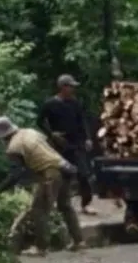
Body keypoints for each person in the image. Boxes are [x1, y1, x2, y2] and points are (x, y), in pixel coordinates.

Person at [0, 115, 85, 255]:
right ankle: (79, 241)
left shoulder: (14, 147)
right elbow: (46, 149)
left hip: (50, 173)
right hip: (64, 167)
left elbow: (16, 174)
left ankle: (41, 247)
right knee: (65, 205)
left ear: (2, 136)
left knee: (39, 210)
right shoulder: (30, 132)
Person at [37, 74, 96, 215]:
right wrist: (52, 134)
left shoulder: (74, 103)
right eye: (70, 86)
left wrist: (87, 138)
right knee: (61, 176)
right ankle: (59, 203)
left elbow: (82, 120)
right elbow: (39, 121)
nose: (72, 89)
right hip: (60, 145)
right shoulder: (50, 104)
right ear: (62, 87)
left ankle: (86, 203)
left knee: (83, 174)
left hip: (77, 144)